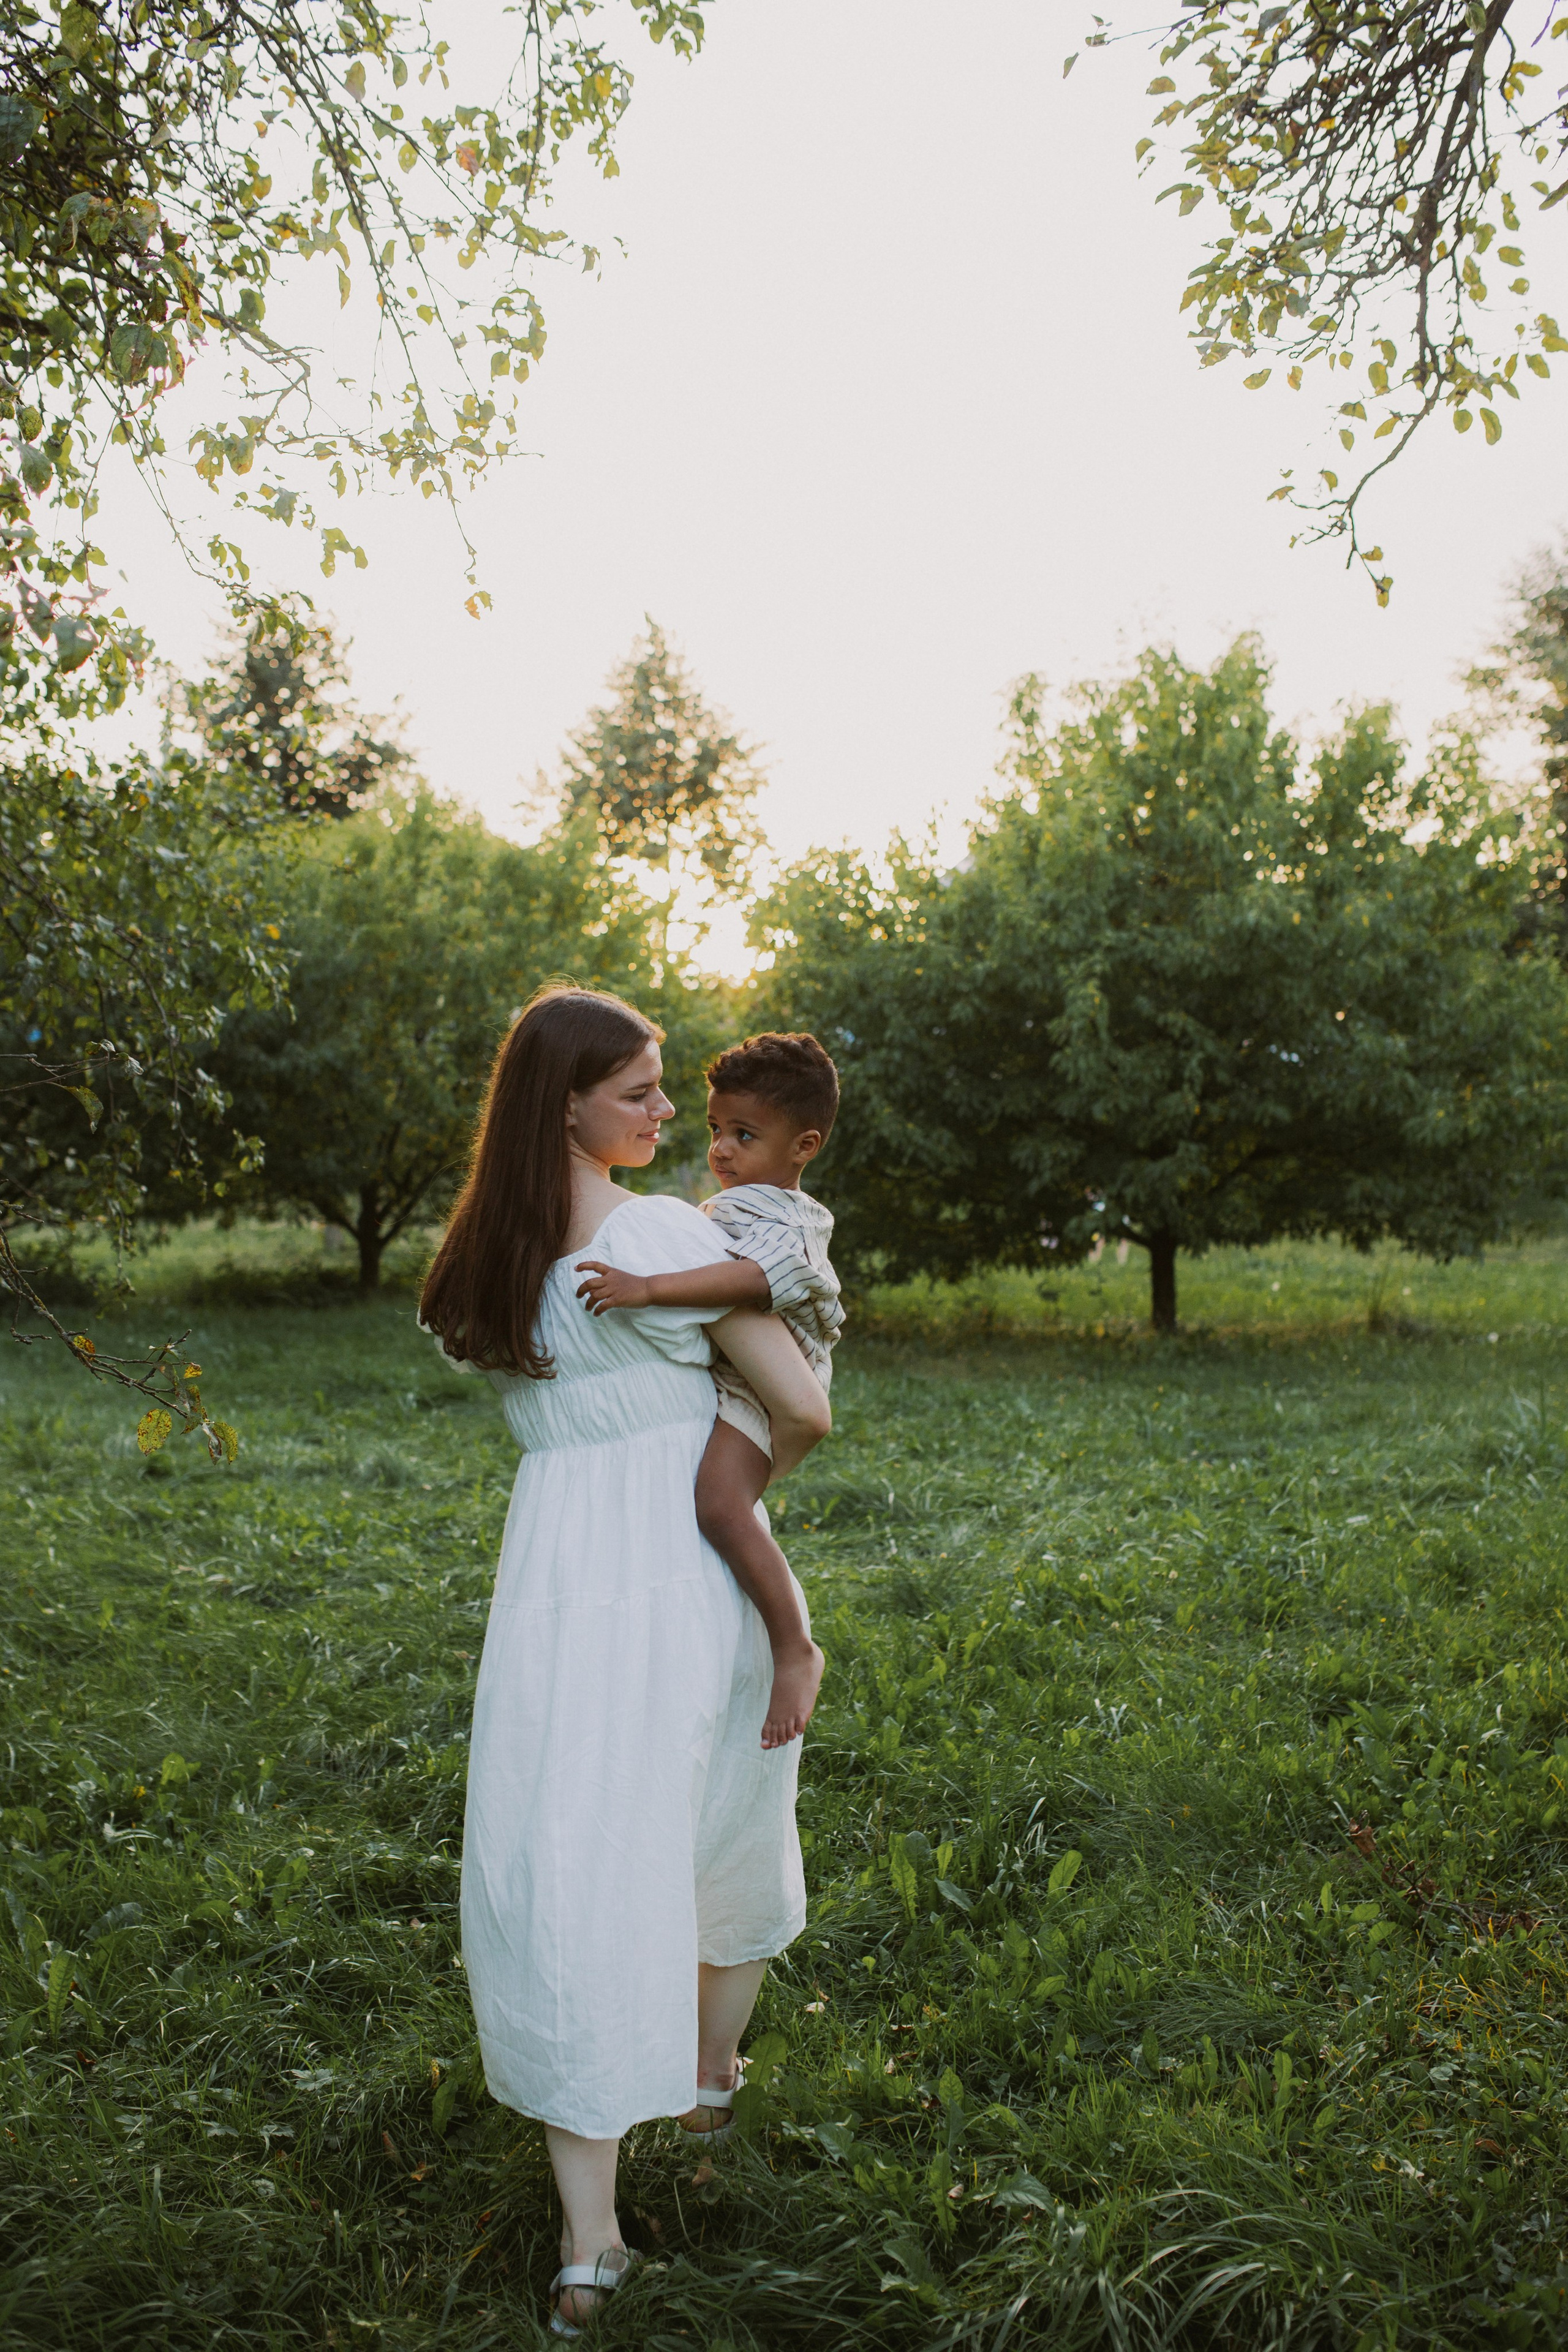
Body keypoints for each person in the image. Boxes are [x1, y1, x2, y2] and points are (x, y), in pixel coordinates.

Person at [419, 986, 831, 2338]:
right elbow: (803, 1397)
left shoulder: (485, 1249)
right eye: (645, 1092)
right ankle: (709, 2078)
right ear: (570, 1104)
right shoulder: (656, 1231)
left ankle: (588, 2245)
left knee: (576, 1854)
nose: (670, 1115)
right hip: (677, 1563)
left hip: (555, 1576)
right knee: (717, 1820)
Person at [574, 1031, 842, 1751]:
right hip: (738, 1382)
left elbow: (752, 1283)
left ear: (803, 1146)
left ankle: (794, 1647)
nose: (721, 1149)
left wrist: (650, 1287)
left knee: (719, 1505)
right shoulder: (739, 1203)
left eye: (744, 1135)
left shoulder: (787, 1219)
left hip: (768, 1384)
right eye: (716, 1129)